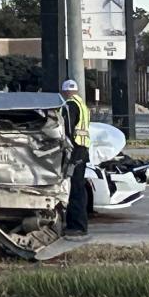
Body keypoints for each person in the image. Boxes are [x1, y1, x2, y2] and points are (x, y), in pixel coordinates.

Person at [60, 79, 91, 238]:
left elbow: (67, 128)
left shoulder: (70, 105)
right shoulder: (81, 104)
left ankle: (77, 226)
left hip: (76, 151)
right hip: (83, 150)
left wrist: (65, 147)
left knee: (75, 190)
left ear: (64, 92)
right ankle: (79, 224)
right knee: (79, 188)